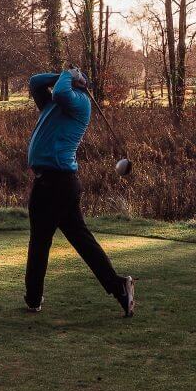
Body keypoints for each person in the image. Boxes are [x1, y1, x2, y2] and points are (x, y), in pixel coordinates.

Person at [24, 67, 135, 317]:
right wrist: (63, 73)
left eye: (74, 79)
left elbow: (63, 91)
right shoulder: (52, 106)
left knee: (41, 241)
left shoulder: (80, 104)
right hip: (51, 182)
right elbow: (35, 81)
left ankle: (33, 298)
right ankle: (119, 287)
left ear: (81, 85)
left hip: (57, 182)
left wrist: (68, 75)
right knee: (79, 241)